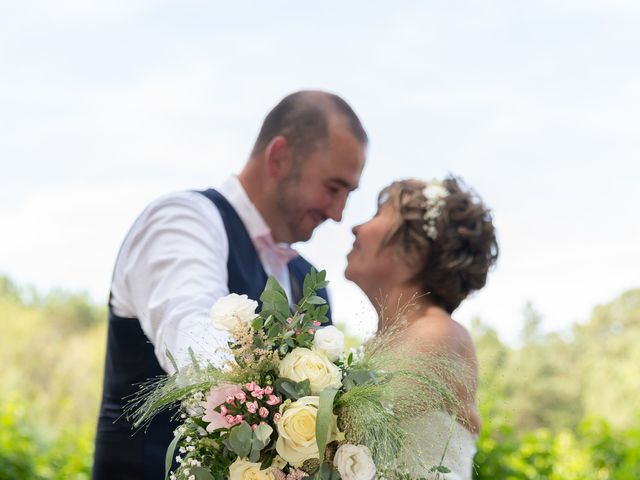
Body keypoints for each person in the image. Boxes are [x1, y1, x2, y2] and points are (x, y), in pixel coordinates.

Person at [93, 90, 368, 479]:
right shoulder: (184, 221)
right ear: (279, 157)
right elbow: (193, 339)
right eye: (333, 187)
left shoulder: (312, 284)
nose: (338, 213)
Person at [345, 177, 498, 479]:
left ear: (416, 250)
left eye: (378, 214)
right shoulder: (375, 345)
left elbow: (344, 421)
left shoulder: (441, 334)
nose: (356, 228)